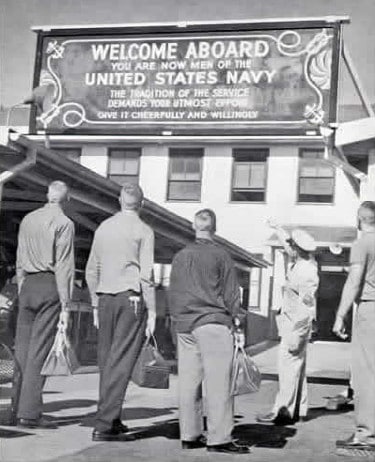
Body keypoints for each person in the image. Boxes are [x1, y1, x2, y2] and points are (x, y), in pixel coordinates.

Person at [169, 208, 250, 455]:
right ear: (214, 228)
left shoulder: (180, 256)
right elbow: (230, 293)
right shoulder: (221, 255)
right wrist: (237, 320)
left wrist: (176, 321)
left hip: (185, 325)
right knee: (219, 383)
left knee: (189, 382)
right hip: (213, 322)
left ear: (194, 227)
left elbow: (173, 291)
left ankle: (189, 435)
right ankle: (219, 438)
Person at [86, 183, 156, 442]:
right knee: (122, 359)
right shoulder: (144, 231)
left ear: (119, 200)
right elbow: (147, 275)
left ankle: (111, 417)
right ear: (143, 203)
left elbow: (91, 269)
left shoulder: (104, 228)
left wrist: (94, 303)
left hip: (105, 297)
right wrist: (153, 310)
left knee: (107, 360)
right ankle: (104, 424)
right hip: (131, 298)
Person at [14, 181, 75, 429]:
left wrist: (22, 288)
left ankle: (14, 407)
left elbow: (19, 259)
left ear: (47, 195)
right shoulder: (65, 224)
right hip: (50, 286)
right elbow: (63, 266)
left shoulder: (28, 219)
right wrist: (66, 305)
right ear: (66, 199)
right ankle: (29, 413)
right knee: (40, 351)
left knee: (22, 351)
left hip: (27, 285)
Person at [257, 221, 318, 425]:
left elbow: (307, 305)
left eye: (292, 244)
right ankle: (299, 409)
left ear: (298, 249)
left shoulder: (306, 272)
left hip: (296, 326)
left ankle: (283, 411)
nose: (289, 246)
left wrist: (299, 333)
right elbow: (288, 247)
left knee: (288, 369)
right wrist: (279, 230)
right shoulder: (301, 263)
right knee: (296, 368)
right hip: (292, 323)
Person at [333, 201, 375, 451]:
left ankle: (367, 434)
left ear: (359, 219)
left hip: (371, 309)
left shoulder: (362, 244)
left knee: (366, 374)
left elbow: (354, 281)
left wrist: (340, 315)